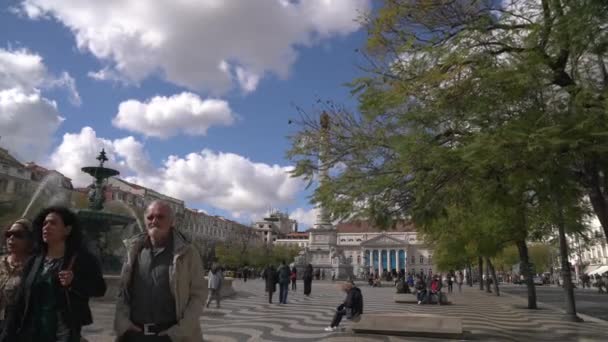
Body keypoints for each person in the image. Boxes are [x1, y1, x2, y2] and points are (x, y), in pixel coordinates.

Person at [0, 206, 106, 342]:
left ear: (67, 230)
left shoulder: (82, 259)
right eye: (45, 223)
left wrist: (74, 282)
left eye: (53, 223)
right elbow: (20, 301)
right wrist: (7, 335)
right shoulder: (34, 260)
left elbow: (100, 289)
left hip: (62, 335)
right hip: (32, 333)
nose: (47, 227)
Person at [114, 200, 204, 342]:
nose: (154, 221)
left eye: (160, 217)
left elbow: (198, 296)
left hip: (171, 336)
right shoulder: (134, 249)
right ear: (145, 221)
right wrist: (123, 324)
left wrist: (179, 331)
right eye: (150, 217)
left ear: (172, 222)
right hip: (134, 334)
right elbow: (122, 291)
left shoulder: (188, 252)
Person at [0, 219, 34, 330]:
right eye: (9, 234)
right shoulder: (1, 262)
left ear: (30, 239)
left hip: (20, 327)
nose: (11, 238)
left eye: (18, 235)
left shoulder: (35, 267)